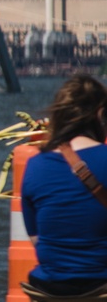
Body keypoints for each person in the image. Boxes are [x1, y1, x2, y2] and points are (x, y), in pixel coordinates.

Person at [21, 74, 107, 298]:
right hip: (99, 286)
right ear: (100, 113)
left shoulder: (35, 165)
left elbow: (36, 239)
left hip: (47, 290)